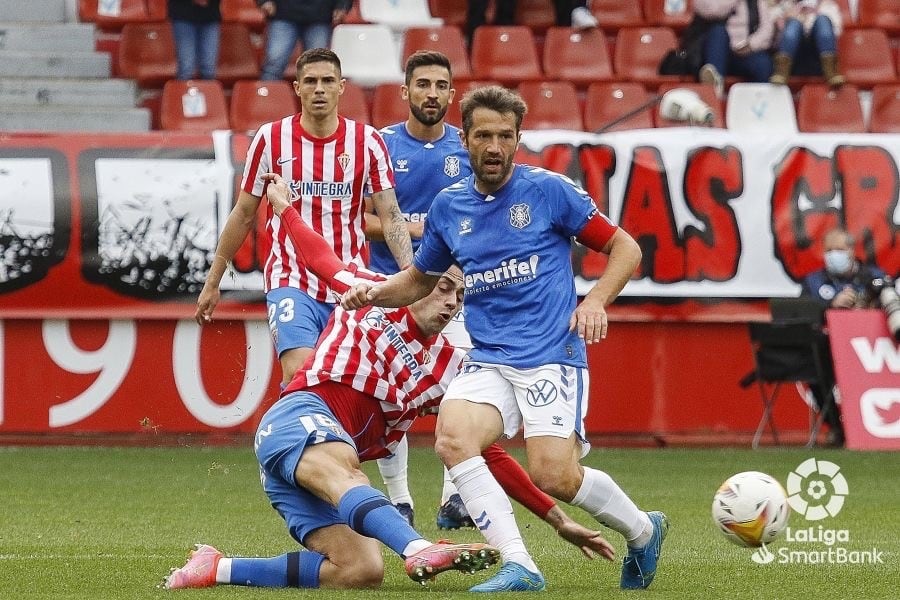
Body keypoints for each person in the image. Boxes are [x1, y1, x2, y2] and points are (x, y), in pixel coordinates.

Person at [163, 173, 615, 591]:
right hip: (297, 419)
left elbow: (488, 454)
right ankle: (419, 548)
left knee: (360, 571)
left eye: (460, 295)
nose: (451, 303)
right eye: (443, 288)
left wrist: (557, 520)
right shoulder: (372, 290)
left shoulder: (451, 369)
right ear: (421, 281)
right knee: (345, 468)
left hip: (320, 464)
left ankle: (217, 567)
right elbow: (318, 255)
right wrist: (283, 207)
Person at [342, 86, 666, 592]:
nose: (494, 146)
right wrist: (375, 293)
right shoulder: (450, 207)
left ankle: (645, 530)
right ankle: (521, 565)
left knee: (554, 476)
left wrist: (597, 300)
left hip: (549, 355)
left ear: (518, 140)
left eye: (505, 136)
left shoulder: (549, 191)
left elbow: (625, 247)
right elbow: (421, 280)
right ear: (465, 140)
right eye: (484, 136)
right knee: (453, 438)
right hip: (489, 357)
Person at [195, 48, 413, 390]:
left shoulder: (367, 142)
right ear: (297, 88)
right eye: (310, 81)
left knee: (349, 383)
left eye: (328, 81)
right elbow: (243, 212)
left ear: (342, 87)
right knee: (299, 372)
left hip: (350, 282)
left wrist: (409, 277)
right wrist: (213, 280)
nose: (319, 89)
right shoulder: (270, 140)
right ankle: (295, 442)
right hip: (291, 278)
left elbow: (391, 216)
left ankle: (341, 443)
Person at [366, 50, 474, 531]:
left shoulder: (467, 148)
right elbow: (361, 217)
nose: (432, 93)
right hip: (393, 288)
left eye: (441, 85)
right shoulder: (380, 146)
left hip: (453, 289)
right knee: (393, 395)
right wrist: (415, 231)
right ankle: (400, 499)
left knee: (462, 390)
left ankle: (456, 499)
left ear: (453, 95)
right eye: (423, 84)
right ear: (405, 92)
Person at [800, 227, 887, 447]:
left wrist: (866, 305)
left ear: (851, 250)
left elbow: (890, 303)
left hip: (871, 348)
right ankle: (836, 427)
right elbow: (801, 314)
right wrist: (831, 306)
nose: (833, 255)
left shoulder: (873, 277)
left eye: (838, 249)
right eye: (829, 250)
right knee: (814, 367)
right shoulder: (813, 282)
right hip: (829, 348)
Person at [694, 0, 776, 97]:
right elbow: (710, 10)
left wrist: (751, 45)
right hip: (716, 50)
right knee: (718, 32)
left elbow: (767, 29)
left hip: (744, 51)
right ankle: (715, 89)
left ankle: (758, 103)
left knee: (763, 64)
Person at [257, 0, 350, 81]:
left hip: (320, 17)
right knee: (274, 64)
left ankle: (315, 101)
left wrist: (342, 5)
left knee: (317, 66)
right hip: (282, 14)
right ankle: (266, 100)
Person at [769, 0, 845, 86]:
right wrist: (788, 17)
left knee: (822, 20)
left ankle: (832, 72)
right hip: (793, 60)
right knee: (794, 24)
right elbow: (770, 35)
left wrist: (812, 17)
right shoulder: (783, 6)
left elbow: (836, 32)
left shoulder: (827, 5)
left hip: (818, 59)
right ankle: (781, 71)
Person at [168, 0, 221, 81]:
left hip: (210, 16)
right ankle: (182, 92)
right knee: (186, 67)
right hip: (182, 15)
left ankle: (207, 92)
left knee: (209, 67)